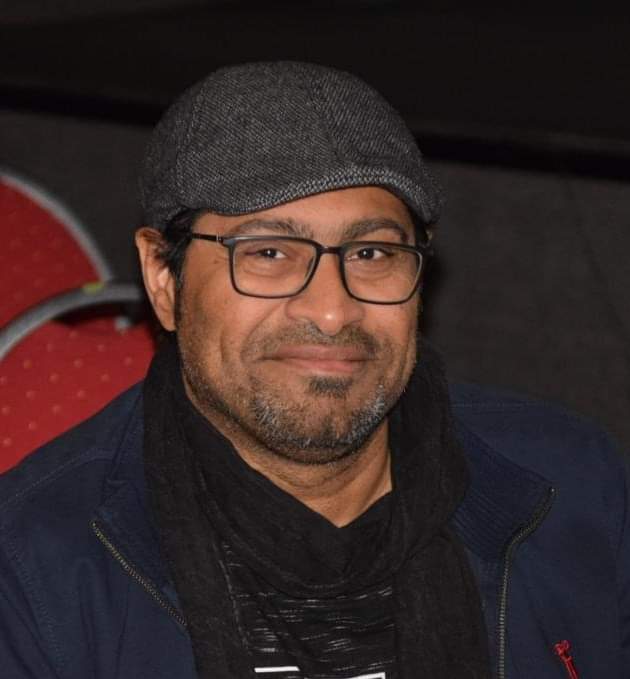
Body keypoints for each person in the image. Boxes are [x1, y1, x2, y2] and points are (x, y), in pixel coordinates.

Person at [0, 61, 628, 679]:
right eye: (269, 252)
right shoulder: (31, 568)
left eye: (372, 252)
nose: (331, 310)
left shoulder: (576, 487)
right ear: (164, 279)